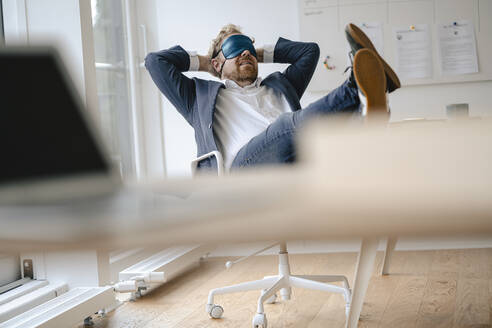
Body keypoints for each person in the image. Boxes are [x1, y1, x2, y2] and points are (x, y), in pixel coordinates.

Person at [145, 23, 400, 173]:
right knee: (286, 124)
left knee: (326, 139)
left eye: (249, 48)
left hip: (298, 160)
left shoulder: (281, 85)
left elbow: (309, 52)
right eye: (235, 48)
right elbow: (155, 62)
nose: (245, 52)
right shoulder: (198, 98)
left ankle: (365, 101)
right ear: (217, 63)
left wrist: (249, 53)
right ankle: (359, 89)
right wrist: (206, 63)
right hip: (244, 174)